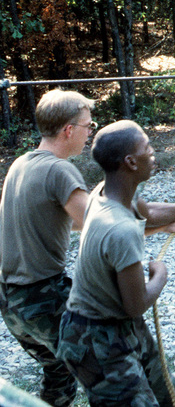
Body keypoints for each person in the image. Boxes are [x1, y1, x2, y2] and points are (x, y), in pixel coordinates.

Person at [56, 120, 175, 406]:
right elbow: (136, 303)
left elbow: (147, 211)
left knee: (170, 398)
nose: (153, 152)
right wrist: (161, 274)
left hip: (120, 325)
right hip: (93, 338)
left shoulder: (106, 193)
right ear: (131, 162)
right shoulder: (120, 230)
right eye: (147, 147)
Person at [0, 90, 95, 407]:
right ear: (69, 130)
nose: (90, 131)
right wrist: (165, 223)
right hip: (43, 299)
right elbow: (101, 226)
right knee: (110, 368)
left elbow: (64, 221)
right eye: (87, 125)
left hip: (11, 303)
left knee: (59, 369)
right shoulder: (59, 170)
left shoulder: (21, 164)